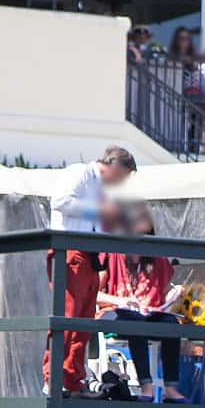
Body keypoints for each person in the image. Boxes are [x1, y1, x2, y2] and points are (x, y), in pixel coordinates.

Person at [43, 144, 136, 394]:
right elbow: (60, 201)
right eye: (123, 177)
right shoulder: (80, 173)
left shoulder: (100, 189)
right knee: (68, 316)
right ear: (115, 167)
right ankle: (53, 378)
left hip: (89, 255)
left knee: (83, 322)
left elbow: (98, 223)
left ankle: (72, 379)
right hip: (70, 251)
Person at [96, 205, 179, 390]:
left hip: (148, 313)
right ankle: (146, 385)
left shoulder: (156, 259)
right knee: (135, 320)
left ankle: (171, 389)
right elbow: (93, 294)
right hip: (114, 312)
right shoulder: (110, 254)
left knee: (171, 323)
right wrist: (120, 301)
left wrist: (172, 297)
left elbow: (161, 295)